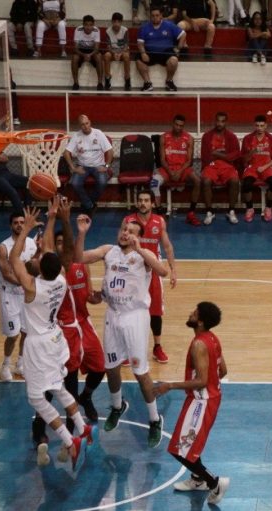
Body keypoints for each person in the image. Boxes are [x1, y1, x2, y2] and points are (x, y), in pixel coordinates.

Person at [9, 205, 95, 470]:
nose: (33, 259)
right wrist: (51, 218)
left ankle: (70, 441)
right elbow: (47, 248)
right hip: (57, 340)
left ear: (39, 268)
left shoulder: (32, 288)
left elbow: (14, 260)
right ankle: (83, 428)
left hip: (39, 345)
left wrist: (24, 231)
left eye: (35, 260)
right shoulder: (60, 279)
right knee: (58, 387)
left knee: (36, 398)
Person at [74, 215, 169, 447]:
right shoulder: (109, 251)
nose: (126, 233)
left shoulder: (144, 257)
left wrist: (141, 248)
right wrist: (82, 233)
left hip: (135, 317)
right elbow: (78, 258)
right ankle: (118, 406)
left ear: (139, 237)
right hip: (113, 314)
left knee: (140, 371)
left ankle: (155, 419)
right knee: (111, 367)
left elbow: (163, 271)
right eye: (124, 229)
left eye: (132, 231)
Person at [31, 197, 106, 445]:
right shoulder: (58, 275)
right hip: (59, 333)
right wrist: (62, 217)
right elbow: (62, 253)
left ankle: (71, 429)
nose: (62, 248)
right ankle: (50, 430)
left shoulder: (48, 277)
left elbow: (67, 253)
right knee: (57, 388)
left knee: (60, 387)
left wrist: (54, 218)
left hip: (60, 330)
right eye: (58, 244)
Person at [155, 302, 229, 505]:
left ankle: (214, 482)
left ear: (201, 322)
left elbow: (202, 381)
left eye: (195, 313)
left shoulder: (198, 344)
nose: (191, 313)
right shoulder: (213, 339)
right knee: (190, 445)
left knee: (179, 449)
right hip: (209, 399)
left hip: (201, 402)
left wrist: (169, 385)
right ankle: (198, 480)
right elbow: (222, 371)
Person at [123, 189, 179, 364]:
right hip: (133, 269)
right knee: (129, 309)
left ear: (153, 203)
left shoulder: (159, 221)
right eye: (140, 200)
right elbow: (121, 244)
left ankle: (157, 347)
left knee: (155, 311)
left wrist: (173, 270)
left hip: (153, 268)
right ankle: (127, 348)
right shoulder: (128, 221)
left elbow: (167, 246)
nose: (143, 203)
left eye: (147, 200)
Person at [0, 212, 38, 382]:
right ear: (10, 225)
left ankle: (20, 363)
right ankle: (5, 365)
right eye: (16, 223)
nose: (20, 225)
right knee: (13, 335)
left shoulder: (31, 243)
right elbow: (7, 274)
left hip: (25, 296)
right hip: (10, 294)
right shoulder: (3, 247)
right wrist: (27, 283)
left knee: (26, 332)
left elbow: (35, 265)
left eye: (22, 222)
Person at [150, 114, 202, 225]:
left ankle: (191, 213)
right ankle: (159, 213)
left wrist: (179, 172)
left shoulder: (189, 138)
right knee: (154, 183)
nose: (178, 127)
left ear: (184, 126)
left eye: (181, 126)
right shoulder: (164, 137)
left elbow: (189, 161)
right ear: (173, 124)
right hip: (167, 168)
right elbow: (162, 160)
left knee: (197, 181)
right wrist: (170, 172)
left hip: (183, 169)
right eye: (176, 125)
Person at [63, 114, 114, 214]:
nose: (85, 126)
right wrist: (73, 168)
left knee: (103, 182)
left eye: (87, 123)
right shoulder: (76, 136)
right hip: (82, 166)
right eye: (82, 124)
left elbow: (110, 151)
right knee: (75, 183)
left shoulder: (98, 133)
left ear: (90, 122)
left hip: (98, 165)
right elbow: (66, 153)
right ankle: (90, 205)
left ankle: (87, 204)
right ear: (79, 126)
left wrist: (106, 166)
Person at [200, 112, 242, 225]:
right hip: (211, 165)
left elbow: (236, 155)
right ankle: (209, 211)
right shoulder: (207, 136)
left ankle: (231, 211)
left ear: (226, 122)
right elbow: (205, 156)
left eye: (222, 121)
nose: (220, 123)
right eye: (218, 121)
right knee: (206, 181)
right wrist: (223, 156)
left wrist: (219, 155)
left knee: (234, 180)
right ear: (215, 121)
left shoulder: (232, 137)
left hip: (227, 166)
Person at [136, 6, 186, 92]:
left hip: (166, 52)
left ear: (161, 16)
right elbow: (140, 43)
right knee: (138, 61)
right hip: (150, 52)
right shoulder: (144, 27)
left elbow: (183, 34)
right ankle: (147, 83)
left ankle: (169, 81)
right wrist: (143, 53)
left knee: (174, 60)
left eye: (157, 15)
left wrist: (178, 48)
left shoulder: (169, 25)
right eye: (153, 15)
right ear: (150, 16)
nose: (155, 17)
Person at [241, 114, 272, 222]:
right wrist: (252, 151)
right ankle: (250, 209)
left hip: (266, 167)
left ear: (266, 126)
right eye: (257, 125)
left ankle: (268, 207)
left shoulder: (271, 139)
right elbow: (244, 159)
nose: (259, 128)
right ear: (254, 125)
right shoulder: (248, 139)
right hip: (252, 167)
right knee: (246, 184)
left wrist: (264, 167)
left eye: (262, 126)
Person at [71, 15, 103, 91]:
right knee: (74, 57)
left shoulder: (96, 30)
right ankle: (75, 83)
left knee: (99, 57)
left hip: (92, 50)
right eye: (86, 25)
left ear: (93, 25)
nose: (88, 27)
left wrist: (90, 55)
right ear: (83, 25)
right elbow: (75, 48)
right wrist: (83, 55)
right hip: (81, 50)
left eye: (90, 25)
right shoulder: (78, 30)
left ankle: (100, 83)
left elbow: (97, 48)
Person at [104, 12, 132, 91]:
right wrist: (114, 53)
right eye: (114, 22)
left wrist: (120, 53)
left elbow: (126, 45)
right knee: (106, 56)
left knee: (126, 56)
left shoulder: (125, 30)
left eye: (118, 22)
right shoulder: (108, 31)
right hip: (112, 50)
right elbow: (108, 46)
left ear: (121, 22)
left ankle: (127, 78)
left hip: (123, 51)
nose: (116, 24)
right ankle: (107, 78)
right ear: (112, 22)